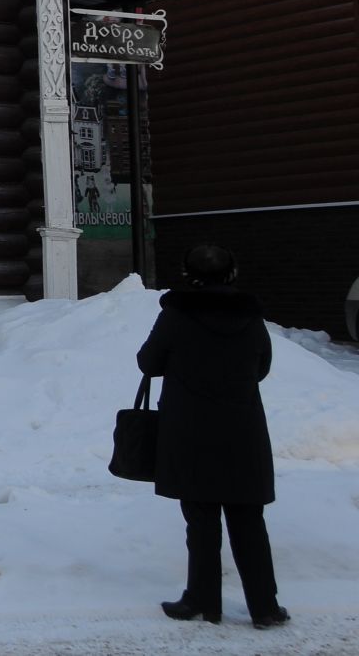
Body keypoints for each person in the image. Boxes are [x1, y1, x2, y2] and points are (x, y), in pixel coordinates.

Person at [136, 244, 288, 629]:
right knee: (249, 520)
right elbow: (262, 366)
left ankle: (202, 601)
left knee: (201, 520)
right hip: (243, 429)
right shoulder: (250, 317)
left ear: (188, 275)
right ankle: (265, 608)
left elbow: (148, 362)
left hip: (190, 429)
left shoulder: (176, 314)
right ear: (232, 273)